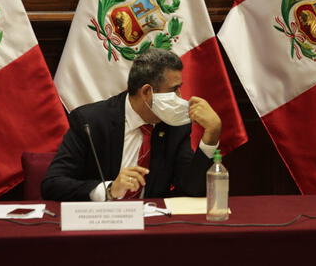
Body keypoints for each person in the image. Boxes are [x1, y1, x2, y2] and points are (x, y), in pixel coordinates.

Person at [42, 48, 221, 201]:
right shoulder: (90, 122)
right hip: (98, 225)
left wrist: (211, 136)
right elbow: (53, 184)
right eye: (174, 89)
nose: (180, 97)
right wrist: (109, 189)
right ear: (146, 92)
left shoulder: (175, 126)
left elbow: (190, 189)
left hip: (152, 228)